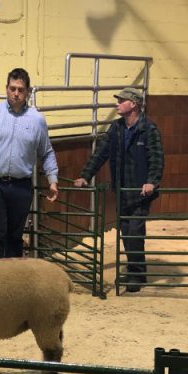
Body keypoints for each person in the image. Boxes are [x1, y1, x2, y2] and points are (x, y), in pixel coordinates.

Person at [0, 67, 59, 259]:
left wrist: (52, 180)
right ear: (6, 88)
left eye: (20, 89)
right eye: (12, 88)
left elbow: (46, 152)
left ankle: (14, 284)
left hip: (21, 185)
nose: (16, 93)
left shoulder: (37, 120)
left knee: (15, 237)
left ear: (28, 92)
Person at [74, 87, 164, 292]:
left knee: (134, 231)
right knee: (127, 231)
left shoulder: (148, 129)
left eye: (121, 100)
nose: (117, 104)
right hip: (122, 189)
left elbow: (157, 158)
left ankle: (135, 273)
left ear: (133, 104)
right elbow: (100, 154)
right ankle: (137, 272)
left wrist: (152, 181)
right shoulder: (116, 128)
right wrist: (85, 175)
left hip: (141, 191)